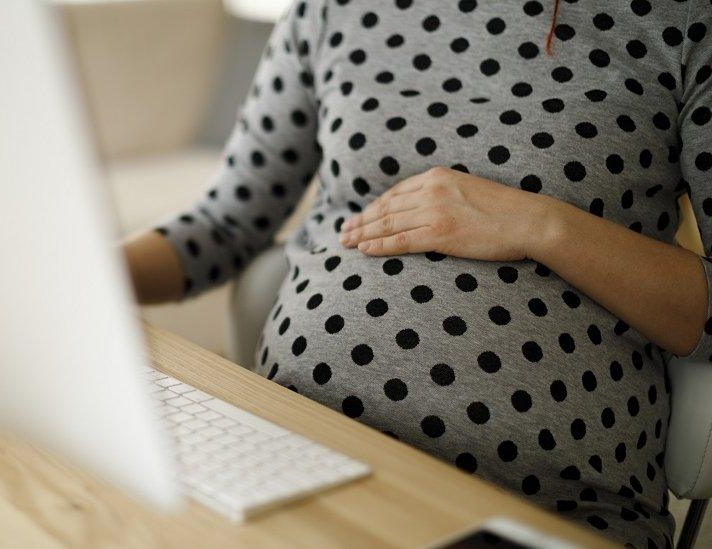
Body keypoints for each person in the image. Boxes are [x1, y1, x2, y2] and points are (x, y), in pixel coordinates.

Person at [123, 1, 712, 546]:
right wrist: (67, 277)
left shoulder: (681, 22)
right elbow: (225, 225)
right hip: (288, 455)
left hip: (539, 503)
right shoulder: (333, 9)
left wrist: (541, 226)